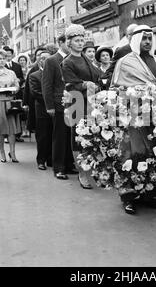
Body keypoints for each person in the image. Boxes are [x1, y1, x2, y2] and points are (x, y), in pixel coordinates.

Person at [111, 25, 156, 215]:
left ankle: (149, 192)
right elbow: (117, 87)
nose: (147, 42)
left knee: (155, 152)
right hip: (134, 116)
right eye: (144, 38)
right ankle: (128, 196)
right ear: (137, 40)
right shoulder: (125, 61)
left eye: (150, 38)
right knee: (133, 153)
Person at [61, 24, 102, 189]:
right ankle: (82, 173)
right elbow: (71, 85)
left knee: (92, 137)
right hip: (77, 102)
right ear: (69, 43)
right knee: (78, 138)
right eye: (76, 40)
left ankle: (93, 170)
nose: (80, 43)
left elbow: (97, 75)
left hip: (91, 102)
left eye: (81, 40)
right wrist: (88, 84)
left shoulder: (86, 58)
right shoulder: (67, 62)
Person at [42, 34, 76, 180]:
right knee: (60, 136)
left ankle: (69, 164)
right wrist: (49, 105)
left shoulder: (73, 59)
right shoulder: (51, 60)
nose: (70, 45)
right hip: (59, 103)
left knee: (70, 135)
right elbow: (47, 84)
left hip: (74, 102)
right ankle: (59, 168)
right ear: (61, 43)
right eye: (67, 42)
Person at [0, 49, 21, 163]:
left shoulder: (11, 72)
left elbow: (17, 86)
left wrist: (14, 89)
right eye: (0, 59)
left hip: (9, 102)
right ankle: (2, 152)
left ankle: (12, 152)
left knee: (12, 129)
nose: (2, 61)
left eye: (4, 59)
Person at [29, 51, 53, 171]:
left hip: (55, 110)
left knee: (53, 135)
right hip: (42, 110)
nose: (46, 61)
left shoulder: (55, 74)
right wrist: (50, 99)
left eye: (49, 58)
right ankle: (41, 160)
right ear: (40, 61)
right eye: (43, 58)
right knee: (43, 136)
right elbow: (35, 93)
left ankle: (51, 159)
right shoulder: (34, 75)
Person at [3, 46, 25, 143]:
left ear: (12, 55)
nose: (8, 56)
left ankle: (17, 135)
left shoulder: (17, 66)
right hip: (7, 94)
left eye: (10, 54)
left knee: (17, 115)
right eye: (6, 55)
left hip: (17, 93)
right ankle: (7, 135)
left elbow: (21, 77)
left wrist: (18, 81)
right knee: (8, 115)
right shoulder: (2, 66)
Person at [23, 47, 46, 136]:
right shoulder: (33, 70)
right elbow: (28, 88)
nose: (40, 58)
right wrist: (25, 103)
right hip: (36, 102)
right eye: (38, 55)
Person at [17, 54, 31, 138]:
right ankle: (23, 130)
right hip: (21, 91)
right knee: (22, 111)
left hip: (28, 90)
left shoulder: (29, 69)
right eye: (20, 60)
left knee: (28, 111)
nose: (22, 61)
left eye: (23, 60)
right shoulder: (17, 70)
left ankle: (28, 130)